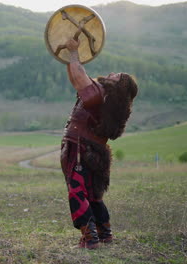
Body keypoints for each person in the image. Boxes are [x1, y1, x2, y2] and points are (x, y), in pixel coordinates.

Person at [60, 37, 138, 249]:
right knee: (93, 195)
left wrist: (74, 52)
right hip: (93, 150)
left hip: (80, 148)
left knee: (77, 191)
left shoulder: (101, 95)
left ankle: (90, 238)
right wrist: (71, 56)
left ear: (118, 87)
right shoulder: (109, 102)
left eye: (116, 77)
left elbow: (79, 78)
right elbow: (77, 79)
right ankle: (105, 234)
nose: (111, 75)